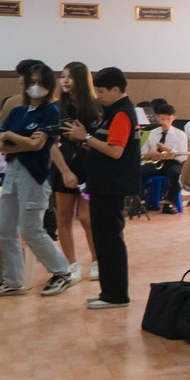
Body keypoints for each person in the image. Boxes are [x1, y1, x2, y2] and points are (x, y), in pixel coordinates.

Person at [65, 66, 141, 311]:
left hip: (111, 186)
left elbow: (115, 152)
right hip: (103, 185)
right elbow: (105, 146)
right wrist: (85, 141)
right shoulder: (113, 112)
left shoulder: (121, 114)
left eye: (101, 90)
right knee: (104, 239)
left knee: (110, 241)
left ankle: (117, 295)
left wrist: (85, 137)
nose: (98, 95)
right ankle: (108, 291)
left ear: (116, 89)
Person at [0, 61, 75, 297]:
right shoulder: (18, 111)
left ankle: (62, 271)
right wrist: (23, 142)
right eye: (31, 82)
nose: (34, 87)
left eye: (40, 83)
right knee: (5, 228)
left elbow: (39, 145)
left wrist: (13, 137)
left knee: (31, 229)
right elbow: (3, 146)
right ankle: (13, 280)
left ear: (49, 86)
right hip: (13, 174)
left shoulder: (50, 110)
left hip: (36, 177)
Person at [50, 63, 97, 278]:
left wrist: (85, 138)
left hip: (89, 169)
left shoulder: (95, 107)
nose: (65, 80)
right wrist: (65, 171)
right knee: (64, 218)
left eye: (70, 76)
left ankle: (97, 261)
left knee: (87, 218)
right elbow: (50, 143)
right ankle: (71, 264)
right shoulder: (57, 107)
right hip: (63, 168)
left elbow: (98, 143)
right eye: (63, 76)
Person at [140, 100, 188, 205]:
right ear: (158, 118)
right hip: (154, 162)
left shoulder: (180, 134)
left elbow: (183, 156)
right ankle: (140, 201)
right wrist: (149, 152)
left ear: (173, 118)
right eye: (162, 119)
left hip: (172, 162)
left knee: (178, 174)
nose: (165, 122)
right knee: (138, 171)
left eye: (168, 119)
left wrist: (169, 150)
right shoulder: (151, 133)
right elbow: (142, 151)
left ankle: (169, 201)